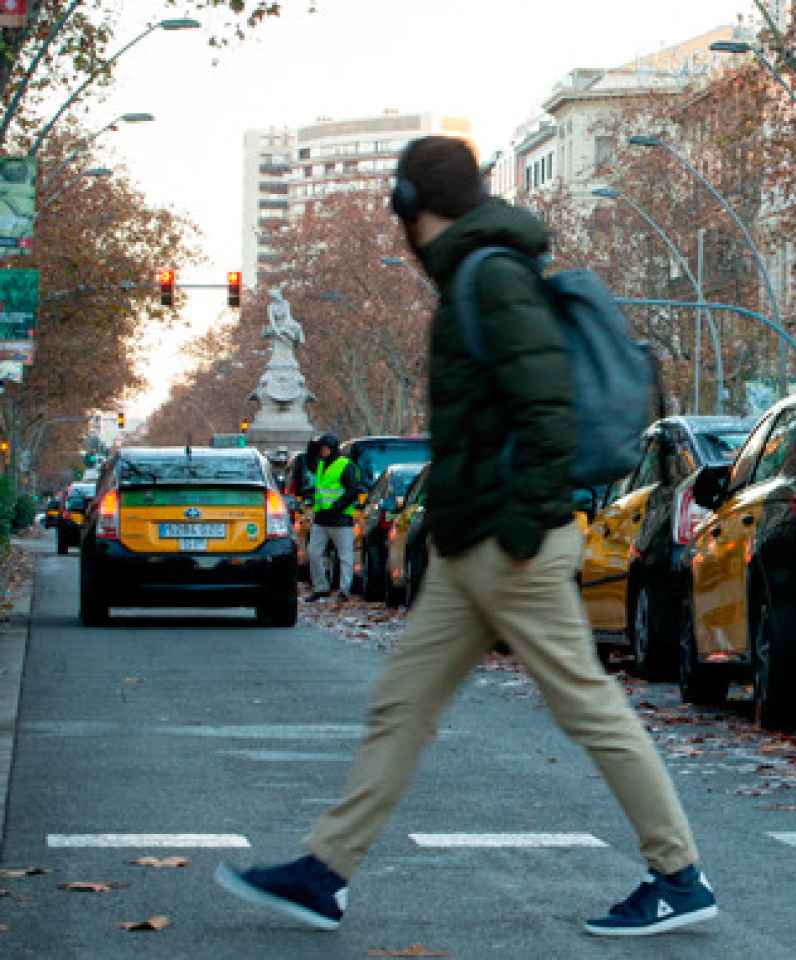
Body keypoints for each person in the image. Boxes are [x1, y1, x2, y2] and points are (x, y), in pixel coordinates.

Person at [215, 136, 714, 938]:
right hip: (470, 543)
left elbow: (546, 406)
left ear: (419, 210)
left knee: (589, 708)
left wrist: (519, 529)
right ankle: (324, 871)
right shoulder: (476, 275)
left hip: (507, 545)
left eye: (400, 214)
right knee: (402, 704)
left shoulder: (491, 277)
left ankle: (678, 873)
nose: (397, 235)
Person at [306, 433, 365, 601]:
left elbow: (353, 490)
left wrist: (337, 506)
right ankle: (321, 588)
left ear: (331, 449)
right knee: (313, 553)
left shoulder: (346, 465)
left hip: (340, 520)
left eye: (323, 448)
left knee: (345, 557)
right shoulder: (320, 464)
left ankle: (344, 590)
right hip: (321, 519)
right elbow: (308, 460)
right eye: (320, 449)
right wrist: (312, 444)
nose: (321, 451)